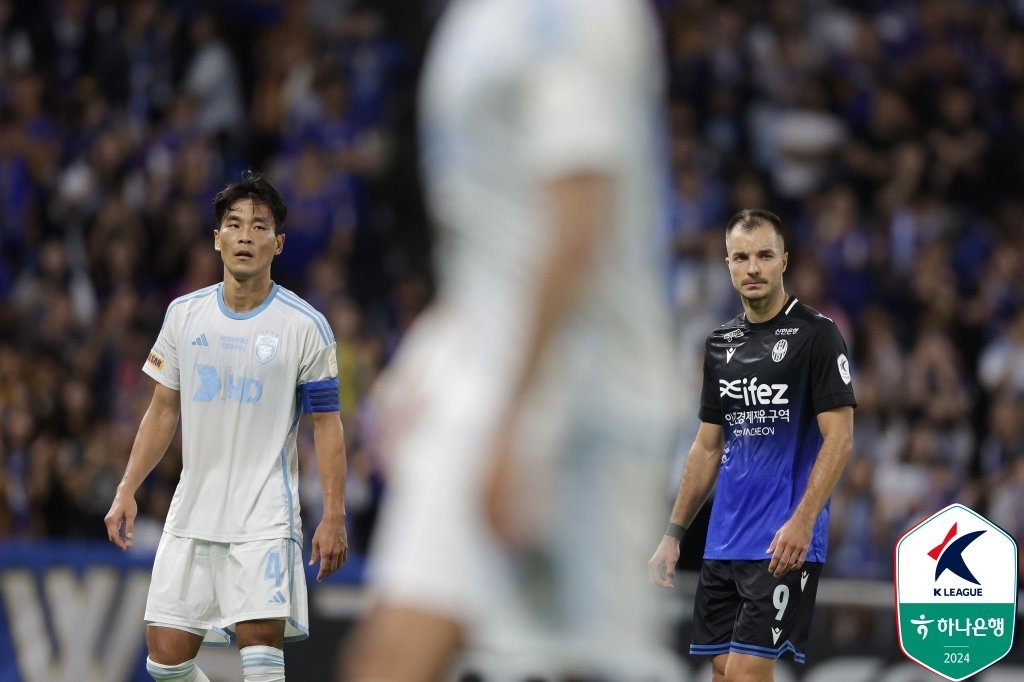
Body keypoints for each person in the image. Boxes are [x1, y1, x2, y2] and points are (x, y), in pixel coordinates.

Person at [344, 0, 681, 680]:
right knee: (388, 657)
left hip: (581, 403)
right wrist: (434, 357)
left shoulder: (576, 14)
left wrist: (516, 420)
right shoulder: (471, 22)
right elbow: (490, 238)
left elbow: (577, 224)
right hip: (481, 386)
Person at [103, 172, 349, 682]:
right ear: (216, 239)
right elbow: (162, 410)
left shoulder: (305, 327)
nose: (245, 235)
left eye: (259, 227)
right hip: (194, 508)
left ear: (277, 244)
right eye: (233, 225)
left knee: (259, 650)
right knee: (165, 661)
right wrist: (127, 488)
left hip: (265, 514)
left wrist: (334, 515)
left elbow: (327, 427)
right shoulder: (183, 316)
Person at [648, 208, 856, 681]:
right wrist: (673, 534)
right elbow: (706, 448)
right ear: (727, 265)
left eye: (765, 255)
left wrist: (803, 522)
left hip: (783, 542)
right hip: (724, 541)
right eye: (741, 257)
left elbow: (840, 439)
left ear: (785, 261)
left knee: (745, 672)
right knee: (723, 673)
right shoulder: (720, 344)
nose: (753, 267)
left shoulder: (816, 336)